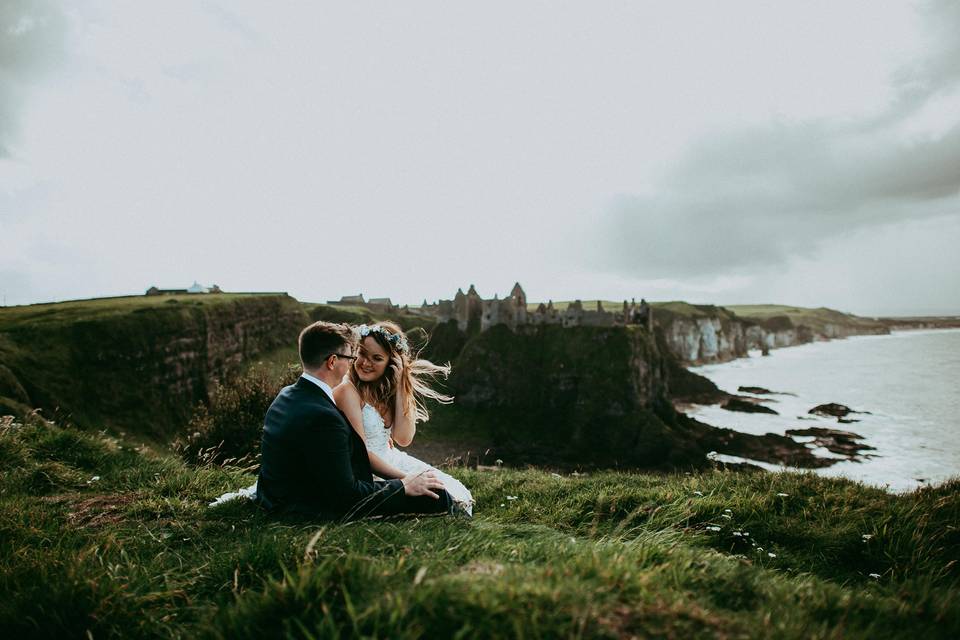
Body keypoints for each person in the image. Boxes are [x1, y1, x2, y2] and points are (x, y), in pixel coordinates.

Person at [251, 320, 453, 520]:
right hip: (301, 507)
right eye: (351, 356)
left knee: (435, 490)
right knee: (439, 498)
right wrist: (403, 485)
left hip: (277, 495)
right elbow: (347, 495)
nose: (355, 362)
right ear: (332, 362)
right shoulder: (325, 416)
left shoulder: (286, 395)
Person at [333, 321, 474, 516]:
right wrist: (406, 479)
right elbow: (360, 453)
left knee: (455, 493)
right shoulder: (347, 391)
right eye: (362, 353)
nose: (365, 363)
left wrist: (400, 386)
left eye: (377, 358)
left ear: (392, 363)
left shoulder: (387, 390)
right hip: (367, 469)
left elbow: (403, 438)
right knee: (438, 496)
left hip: (391, 459)